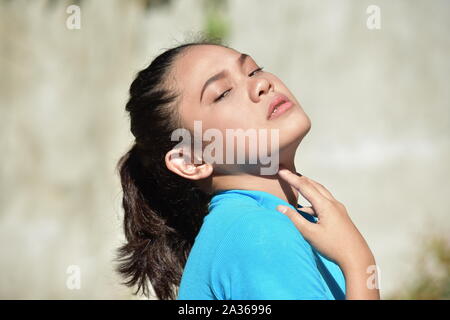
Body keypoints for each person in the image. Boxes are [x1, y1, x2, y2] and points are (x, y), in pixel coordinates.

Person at [115, 37, 380, 300]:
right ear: (191, 161)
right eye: (223, 93)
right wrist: (358, 261)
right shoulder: (256, 233)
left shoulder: (256, 225)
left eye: (254, 69)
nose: (261, 84)